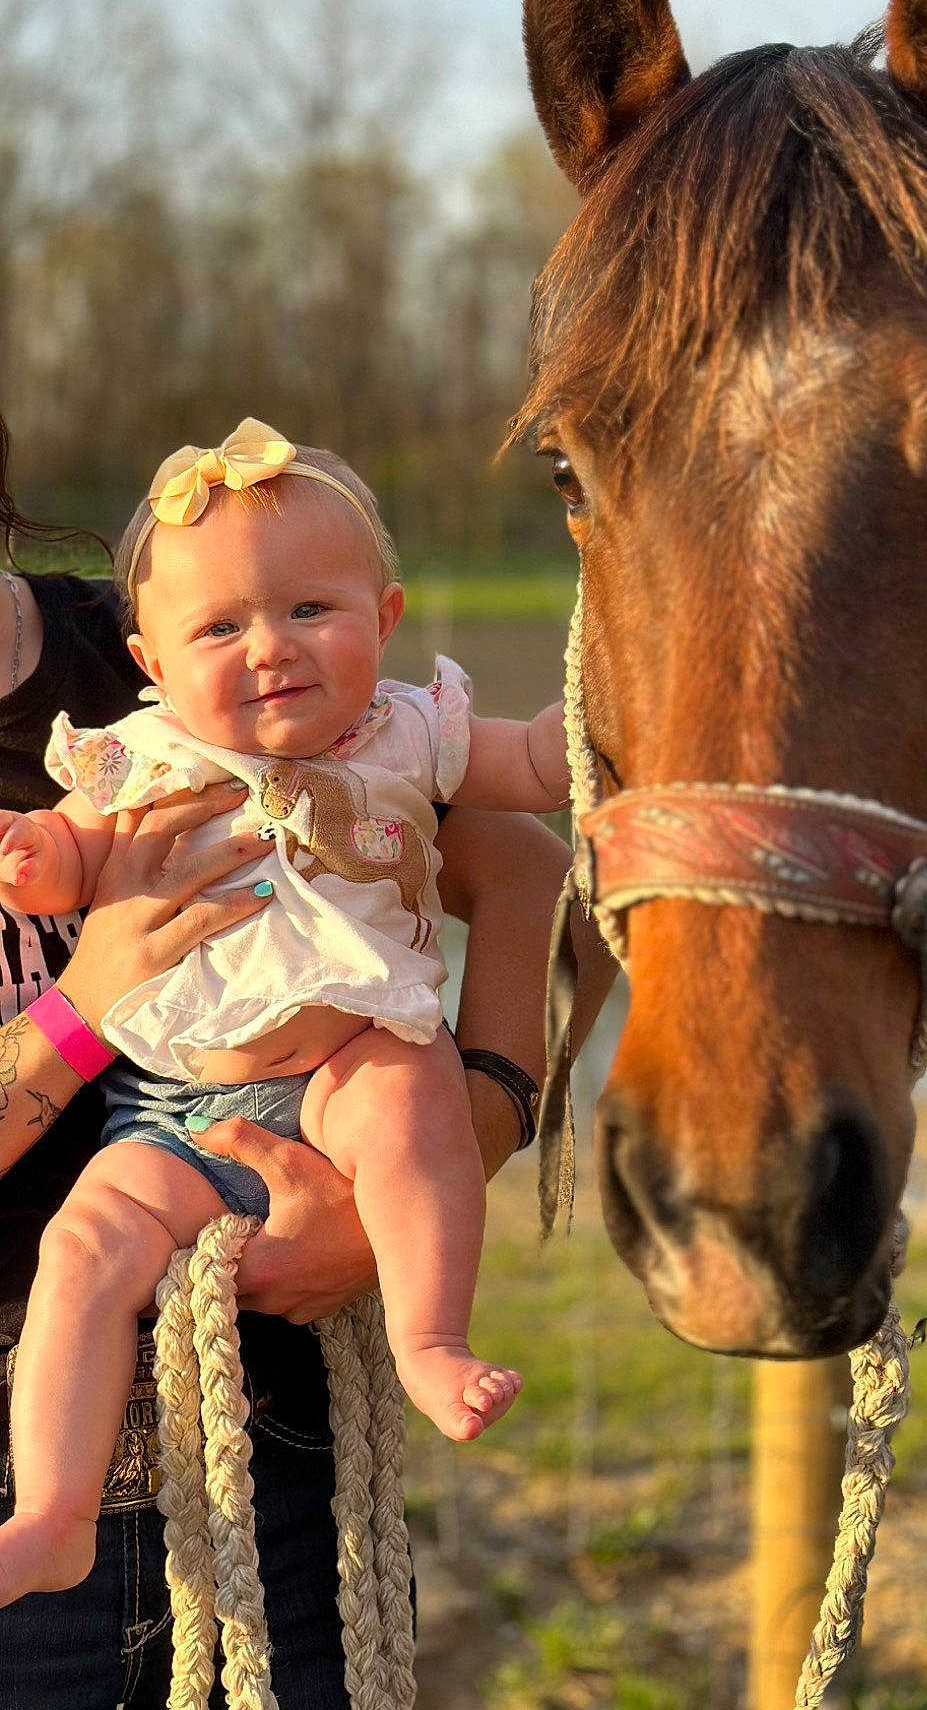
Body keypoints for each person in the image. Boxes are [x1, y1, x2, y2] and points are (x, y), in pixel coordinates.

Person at [0, 429, 612, 1705]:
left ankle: (435, 1336)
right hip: (153, 1134)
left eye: (309, 614)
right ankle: (46, 1508)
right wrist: (82, 977)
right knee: (82, 1247)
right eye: (228, 630)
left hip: (267, 1404)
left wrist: (459, 1136)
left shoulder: (202, 631)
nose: (265, 643)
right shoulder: (145, 726)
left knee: (400, 1094)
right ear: (156, 664)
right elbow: (68, 846)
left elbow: (536, 862)